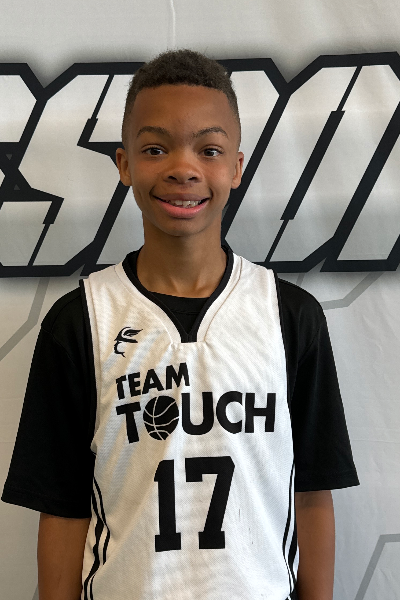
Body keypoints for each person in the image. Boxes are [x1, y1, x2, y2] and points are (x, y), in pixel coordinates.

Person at [2, 49, 359, 600]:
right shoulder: (81, 321)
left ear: (236, 167)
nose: (183, 168)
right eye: (155, 148)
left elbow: (312, 492)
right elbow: (63, 509)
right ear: (124, 164)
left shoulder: (290, 316)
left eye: (209, 150)